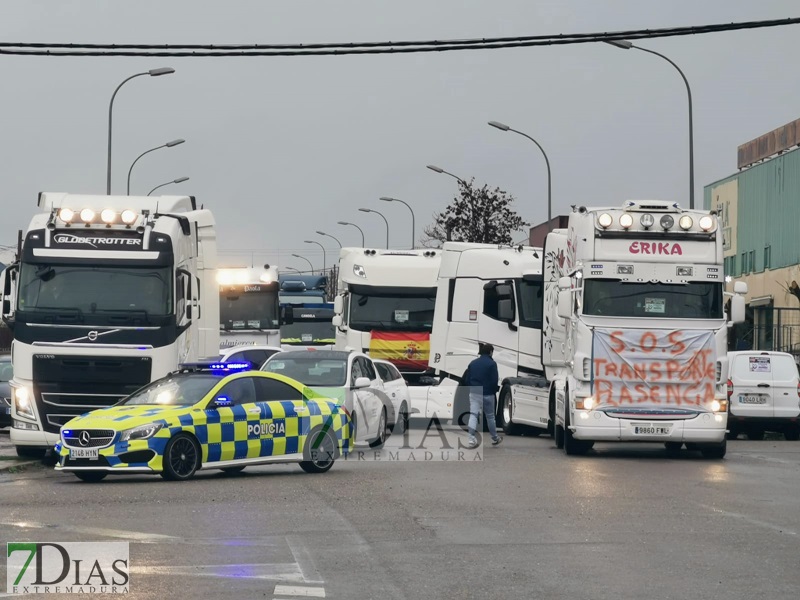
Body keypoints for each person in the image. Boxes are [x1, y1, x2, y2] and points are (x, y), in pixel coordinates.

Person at [465, 342, 502, 448]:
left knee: (473, 415)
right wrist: (494, 390)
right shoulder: (492, 364)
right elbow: (494, 380)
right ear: (490, 352)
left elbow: (467, 378)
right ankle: (495, 437)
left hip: (474, 392)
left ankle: (471, 439)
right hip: (488, 393)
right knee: (490, 417)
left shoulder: (473, 363)